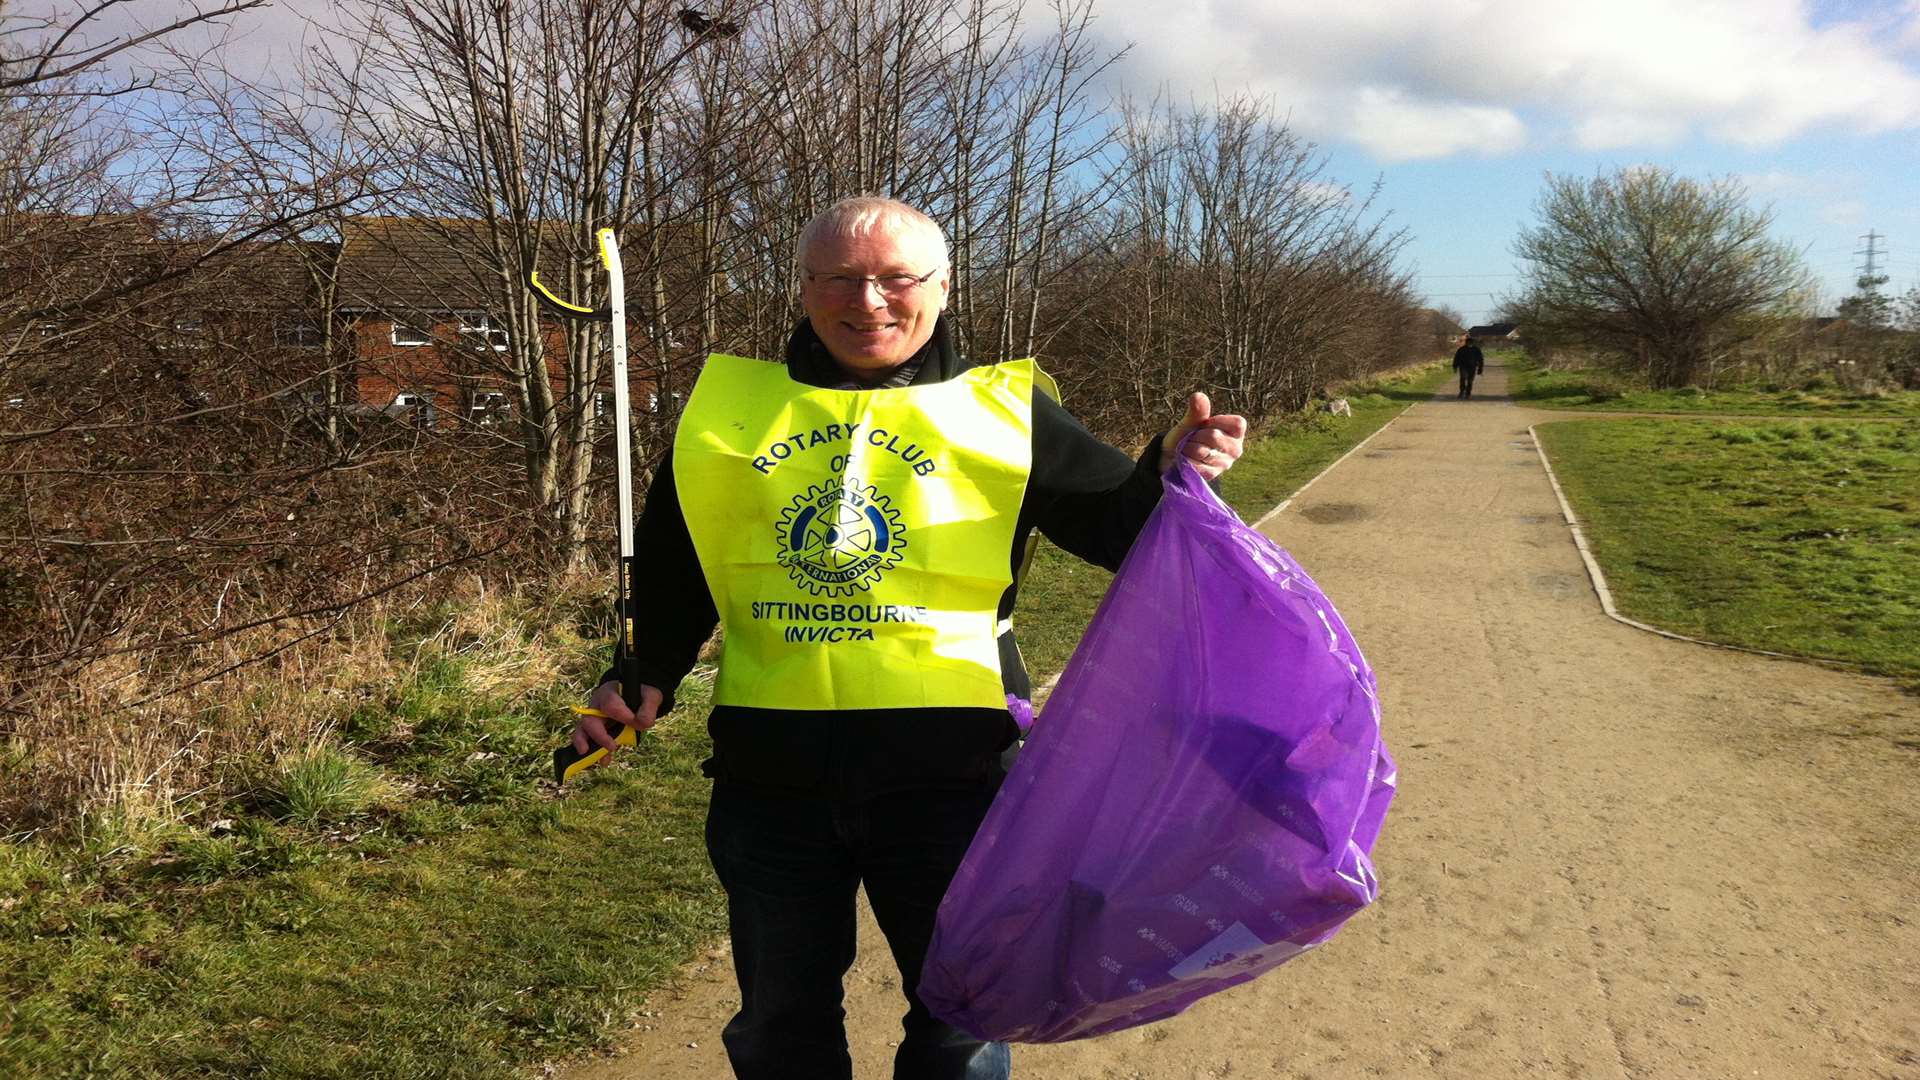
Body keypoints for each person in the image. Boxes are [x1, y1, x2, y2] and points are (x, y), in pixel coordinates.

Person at [570, 195, 1246, 1080]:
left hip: (956, 779)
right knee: (780, 1021)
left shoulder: (1005, 411)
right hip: (771, 782)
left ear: (942, 284)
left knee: (962, 1017)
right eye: (841, 280)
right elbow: (678, 563)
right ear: (805, 288)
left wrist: (1170, 474)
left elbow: (1122, 533)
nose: (870, 302)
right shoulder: (727, 410)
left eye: (897, 279)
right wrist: (646, 670)